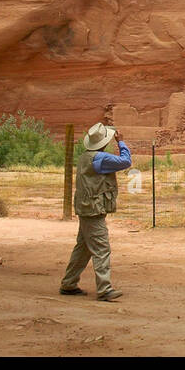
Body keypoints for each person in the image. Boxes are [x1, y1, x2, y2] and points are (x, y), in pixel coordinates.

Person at [60, 123, 131, 302]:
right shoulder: (101, 158)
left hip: (85, 208)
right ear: (104, 142)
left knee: (83, 249)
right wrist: (121, 142)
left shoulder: (85, 157)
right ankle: (104, 289)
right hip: (93, 210)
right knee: (101, 248)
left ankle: (69, 284)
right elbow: (125, 161)